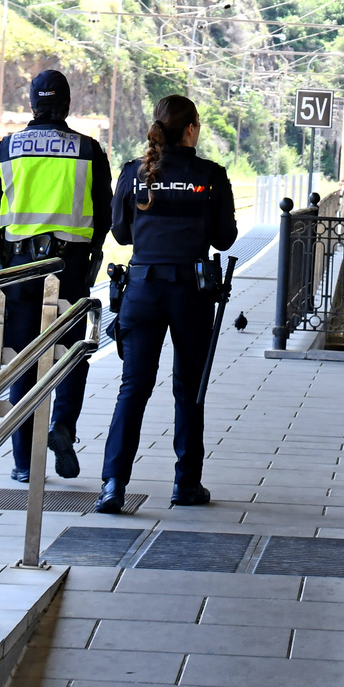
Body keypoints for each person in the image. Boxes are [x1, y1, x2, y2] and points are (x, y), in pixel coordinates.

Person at [95, 94, 237, 514]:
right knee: (188, 389)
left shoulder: (133, 174)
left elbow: (121, 234)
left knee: (133, 388)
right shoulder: (210, 175)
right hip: (191, 295)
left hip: (141, 291)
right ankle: (185, 483)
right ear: (191, 129)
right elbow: (225, 238)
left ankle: (114, 486)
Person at [0, 69, 113, 482]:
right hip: (70, 272)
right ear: (68, 105)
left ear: (32, 104)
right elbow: (105, 217)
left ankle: (24, 464)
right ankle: (62, 427)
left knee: (23, 364)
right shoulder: (89, 151)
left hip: (19, 275)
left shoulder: (7, 149)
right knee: (73, 355)